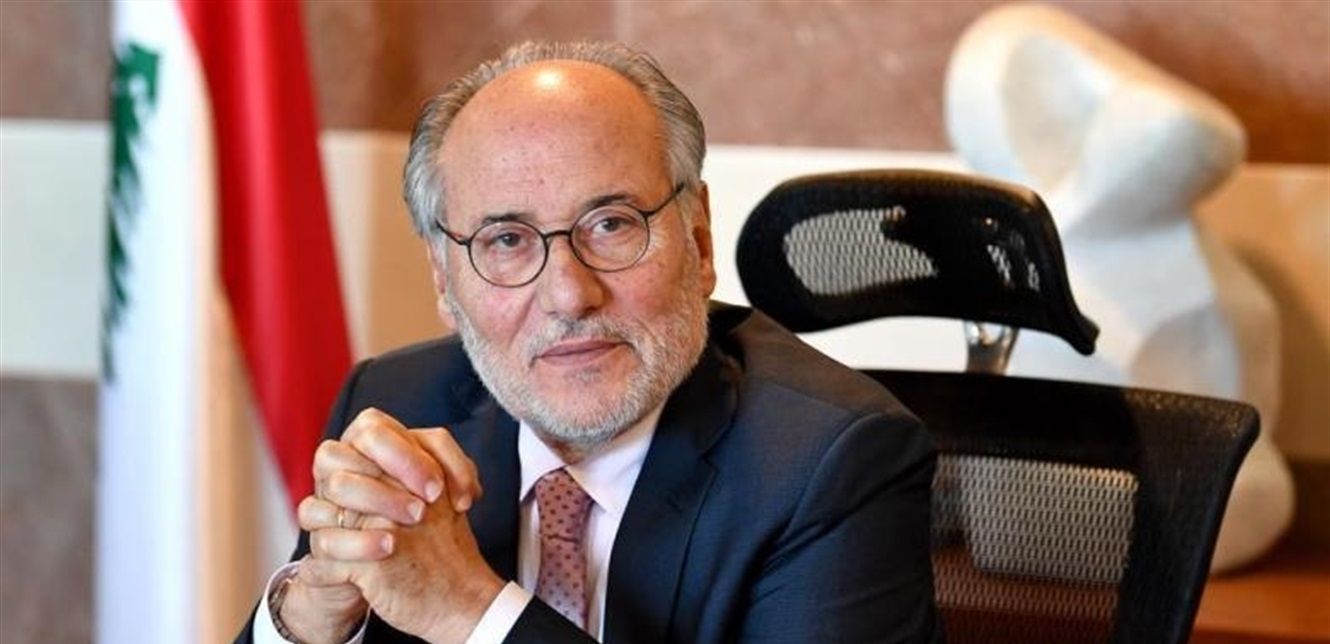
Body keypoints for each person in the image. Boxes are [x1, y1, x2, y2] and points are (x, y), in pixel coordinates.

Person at [237, 40, 939, 644]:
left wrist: (469, 611)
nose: (569, 295)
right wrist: (310, 613)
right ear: (445, 281)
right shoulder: (395, 403)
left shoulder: (829, 461)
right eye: (506, 240)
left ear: (697, 240)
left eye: (611, 225)